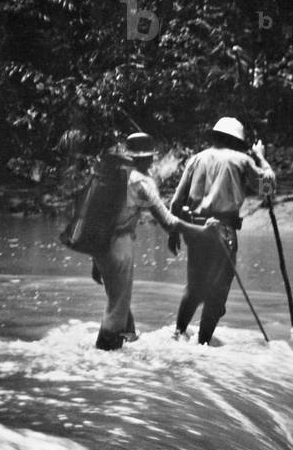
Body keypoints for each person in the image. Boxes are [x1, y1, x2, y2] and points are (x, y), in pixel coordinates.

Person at [92, 132, 217, 351]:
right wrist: (203, 231)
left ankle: (130, 342)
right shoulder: (142, 182)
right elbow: (168, 222)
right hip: (120, 246)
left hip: (100, 246)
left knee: (119, 300)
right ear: (145, 158)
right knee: (117, 308)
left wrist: (95, 261)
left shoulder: (113, 175)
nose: (153, 160)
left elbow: (101, 216)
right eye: (151, 157)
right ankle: (104, 353)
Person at [167, 117, 276, 344]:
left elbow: (176, 202)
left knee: (194, 287)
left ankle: (178, 332)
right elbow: (268, 187)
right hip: (223, 231)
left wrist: (174, 232)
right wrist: (261, 158)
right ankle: (204, 343)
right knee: (217, 294)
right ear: (237, 141)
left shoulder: (196, 159)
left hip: (195, 230)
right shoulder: (242, 159)